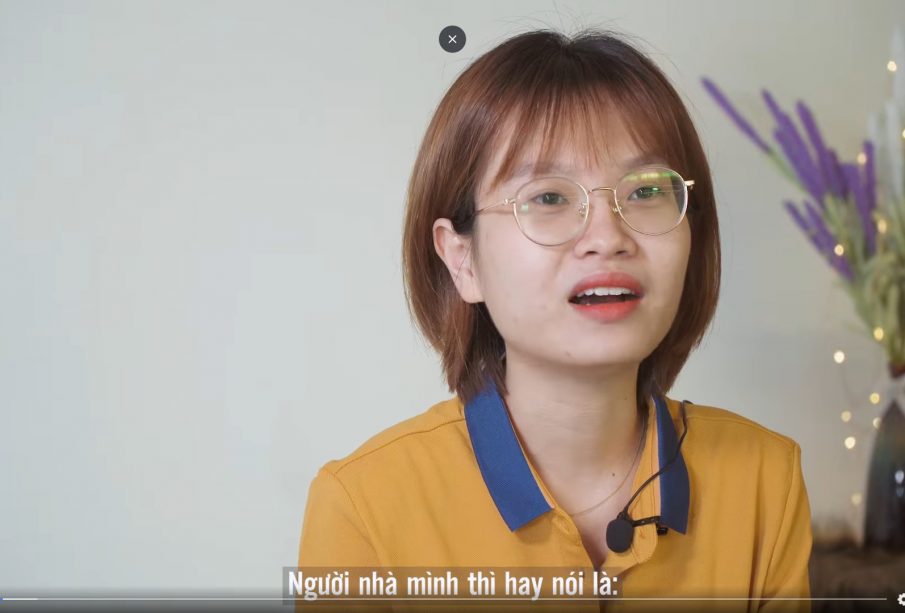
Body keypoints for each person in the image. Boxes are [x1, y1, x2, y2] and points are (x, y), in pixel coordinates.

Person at [297, 28, 812, 613]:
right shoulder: (363, 506)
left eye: (645, 191)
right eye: (548, 197)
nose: (608, 237)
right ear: (462, 259)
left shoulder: (766, 480)